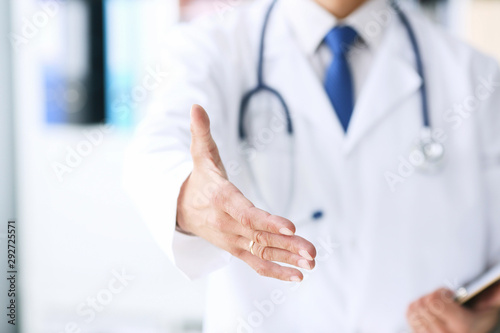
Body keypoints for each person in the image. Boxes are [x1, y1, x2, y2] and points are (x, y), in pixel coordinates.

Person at [123, 0, 500, 331]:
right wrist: (188, 196)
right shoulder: (211, 47)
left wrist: (487, 318)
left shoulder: (478, 77)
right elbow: (156, 147)